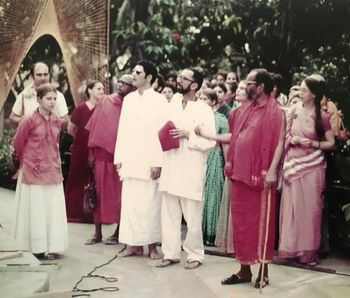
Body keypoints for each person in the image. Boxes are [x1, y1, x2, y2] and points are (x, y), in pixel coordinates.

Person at [222, 69, 285, 288]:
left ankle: (264, 272)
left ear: (260, 87)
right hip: (239, 175)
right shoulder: (244, 110)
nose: (246, 86)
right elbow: (236, 136)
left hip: (260, 178)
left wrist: (272, 170)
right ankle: (244, 270)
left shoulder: (277, 112)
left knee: (262, 223)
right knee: (241, 225)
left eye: (249, 83)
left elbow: (279, 143)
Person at [157, 68, 216, 269]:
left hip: (191, 168)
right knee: (169, 212)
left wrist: (188, 134)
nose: (178, 80)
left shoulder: (204, 110)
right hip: (171, 164)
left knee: (192, 215)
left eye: (183, 78)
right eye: (179, 77)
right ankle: (170, 253)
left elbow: (210, 142)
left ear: (194, 85)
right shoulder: (172, 103)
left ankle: (195, 255)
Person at [279, 75, 335, 265]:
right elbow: (283, 136)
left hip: (313, 165)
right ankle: (290, 249)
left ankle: (307, 253)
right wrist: (292, 140)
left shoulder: (322, 116)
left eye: (303, 90)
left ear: (313, 94)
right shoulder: (293, 110)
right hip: (293, 163)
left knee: (310, 210)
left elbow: (331, 143)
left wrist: (312, 143)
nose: (299, 93)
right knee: (291, 209)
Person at [114, 60, 168, 259]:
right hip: (131, 158)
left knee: (150, 204)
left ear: (149, 77)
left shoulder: (160, 101)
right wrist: (119, 157)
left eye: (138, 72)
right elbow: (122, 130)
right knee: (130, 203)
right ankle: (132, 245)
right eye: (133, 71)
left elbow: (162, 133)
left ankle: (152, 247)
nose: (133, 75)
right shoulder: (128, 100)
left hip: (150, 159)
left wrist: (158, 162)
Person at [12, 83, 68, 260]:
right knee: (36, 209)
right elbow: (18, 144)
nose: (52, 102)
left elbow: (56, 144)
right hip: (33, 170)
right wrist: (26, 163)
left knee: (51, 209)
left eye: (54, 99)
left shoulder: (57, 120)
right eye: (48, 99)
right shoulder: (29, 119)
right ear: (39, 99)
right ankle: (36, 246)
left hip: (52, 169)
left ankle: (52, 246)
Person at [84, 74, 135, 245]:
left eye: (125, 84)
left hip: (122, 157)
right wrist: (91, 154)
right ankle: (97, 233)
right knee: (97, 194)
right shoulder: (104, 101)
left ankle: (118, 232)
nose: (120, 85)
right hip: (101, 155)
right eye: (119, 82)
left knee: (121, 196)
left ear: (133, 87)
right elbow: (93, 129)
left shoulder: (132, 106)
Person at [65, 80, 105, 223]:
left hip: (97, 148)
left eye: (102, 88)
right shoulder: (81, 109)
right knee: (77, 177)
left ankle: (93, 214)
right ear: (89, 91)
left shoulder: (103, 108)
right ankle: (74, 213)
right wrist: (80, 139)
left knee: (96, 179)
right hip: (80, 148)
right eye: (98, 88)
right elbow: (70, 128)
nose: (101, 91)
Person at [199, 88, 229, 246]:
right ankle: (198, 233)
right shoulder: (195, 118)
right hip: (198, 157)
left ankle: (211, 233)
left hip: (214, 158)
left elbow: (225, 143)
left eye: (206, 99)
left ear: (214, 102)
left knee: (212, 195)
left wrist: (227, 162)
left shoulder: (220, 119)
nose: (202, 101)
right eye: (200, 98)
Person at [10, 62, 68, 127]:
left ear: (49, 75)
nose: (43, 78)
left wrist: (49, 121)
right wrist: (29, 121)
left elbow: (66, 121)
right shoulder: (24, 95)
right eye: (39, 75)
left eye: (45, 74)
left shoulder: (58, 96)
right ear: (32, 76)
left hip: (52, 136)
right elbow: (12, 118)